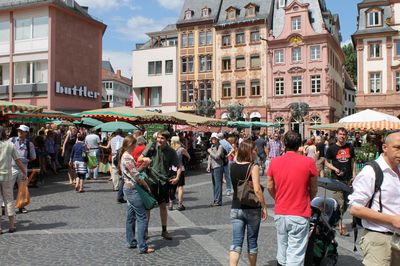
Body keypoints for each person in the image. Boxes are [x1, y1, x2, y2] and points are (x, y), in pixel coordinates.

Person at [349, 130, 400, 266]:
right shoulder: (371, 171)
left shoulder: (398, 169)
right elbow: (355, 209)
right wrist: (393, 220)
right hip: (379, 240)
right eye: (397, 147)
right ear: (385, 147)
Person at [267, 131, 318, 266]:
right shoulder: (308, 162)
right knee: (295, 256)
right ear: (300, 145)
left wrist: (277, 198)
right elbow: (314, 189)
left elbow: (269, 186)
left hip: (281, 211)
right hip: (299, 212)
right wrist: (306, 199)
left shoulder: (275, 162)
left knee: (283, 252)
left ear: (284, 144)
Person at [229, 139, 267, 266]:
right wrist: (264, 206)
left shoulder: (232, 165)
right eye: (254, 149)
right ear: (249, 151)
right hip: (252, 209)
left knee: (236, 243)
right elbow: (257, 189)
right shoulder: (253, 166)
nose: (256, 152)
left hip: (236, 207)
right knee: (252, 241)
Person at [138, 131, 181, 240]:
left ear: (167, 140)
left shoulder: (171, 151)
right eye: (158, 138)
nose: (159, 140)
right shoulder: (151, 146)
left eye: (162, 138)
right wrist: (144, 159)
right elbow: (139, 158)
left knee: (163, 206)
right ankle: (145, 231)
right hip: (150, 180)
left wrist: (177, 178)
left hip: (163, 182)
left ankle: (164, 230)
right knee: (148, 206)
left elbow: (179, 166)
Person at [119, 135, 154, 253]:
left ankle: (131, 241)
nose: (135, 147)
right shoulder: (127, 157)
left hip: (128, 188)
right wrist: (146, 185)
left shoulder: (124, 156)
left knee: (130, 217)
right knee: (142, 217)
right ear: (129, 145)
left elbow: (133, 172)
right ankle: (142, 246)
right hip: (133, 189)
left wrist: (144, 165)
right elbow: (136, 175)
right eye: (134, 145)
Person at [325, 127, 356, 236]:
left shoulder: (350, 147)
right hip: (336, 180)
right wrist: (335, 169)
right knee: (340, 203)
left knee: (347, 202)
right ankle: (341, 226)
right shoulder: (331, 148)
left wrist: (354, 174)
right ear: (336, 135)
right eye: (340, 134)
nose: (342, 136)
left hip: (348, 180)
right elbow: (327, 162)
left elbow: (353, 161)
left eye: (344, 134)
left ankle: (335, 219)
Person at [0, 126, 28, 233]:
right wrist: (24, 171)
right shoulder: (10, 145)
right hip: (7, 176)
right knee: (9, 199)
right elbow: (18, 160)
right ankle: (11, 226)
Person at [9, 125, 36, 214]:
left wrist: (24, 160)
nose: (19, 132)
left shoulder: (29, 144)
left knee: (23, 188)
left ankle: (22, 206)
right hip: (11, 167)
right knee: (8, 187)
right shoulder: (11, 140)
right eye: (19, 130)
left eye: (22, 131)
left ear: (26, 133)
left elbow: (33, 157)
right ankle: (5, 206)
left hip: (23, 168)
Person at [169, 136, 190, 211]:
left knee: (171, 187)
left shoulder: (169, 149)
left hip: (171, 169)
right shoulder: (181, 149)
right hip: (180, 169)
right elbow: (188, 157)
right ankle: (180, 205)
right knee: (180, 187)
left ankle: (170, 204)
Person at [207, 132, 224, 207]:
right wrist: (208, 166)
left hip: (218, 166)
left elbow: (217, 156)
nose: (213, 139)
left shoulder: (220, 146)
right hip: (213, 167)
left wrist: (210, 152)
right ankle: (215, 199)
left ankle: (218, 201)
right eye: (212, 138)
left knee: (218, 184)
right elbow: (210, 157)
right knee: (214, 184)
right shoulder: (212, 146)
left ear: (217, 139)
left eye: (214, 138)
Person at [218, 132, 232, 196]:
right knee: (227, 176)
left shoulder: (218, 143)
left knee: (219, 176)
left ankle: (219, 190)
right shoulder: (226, 142)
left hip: (218, 161)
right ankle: (228, 190)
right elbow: (232, 149)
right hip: (226, 161)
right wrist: (228, 154)